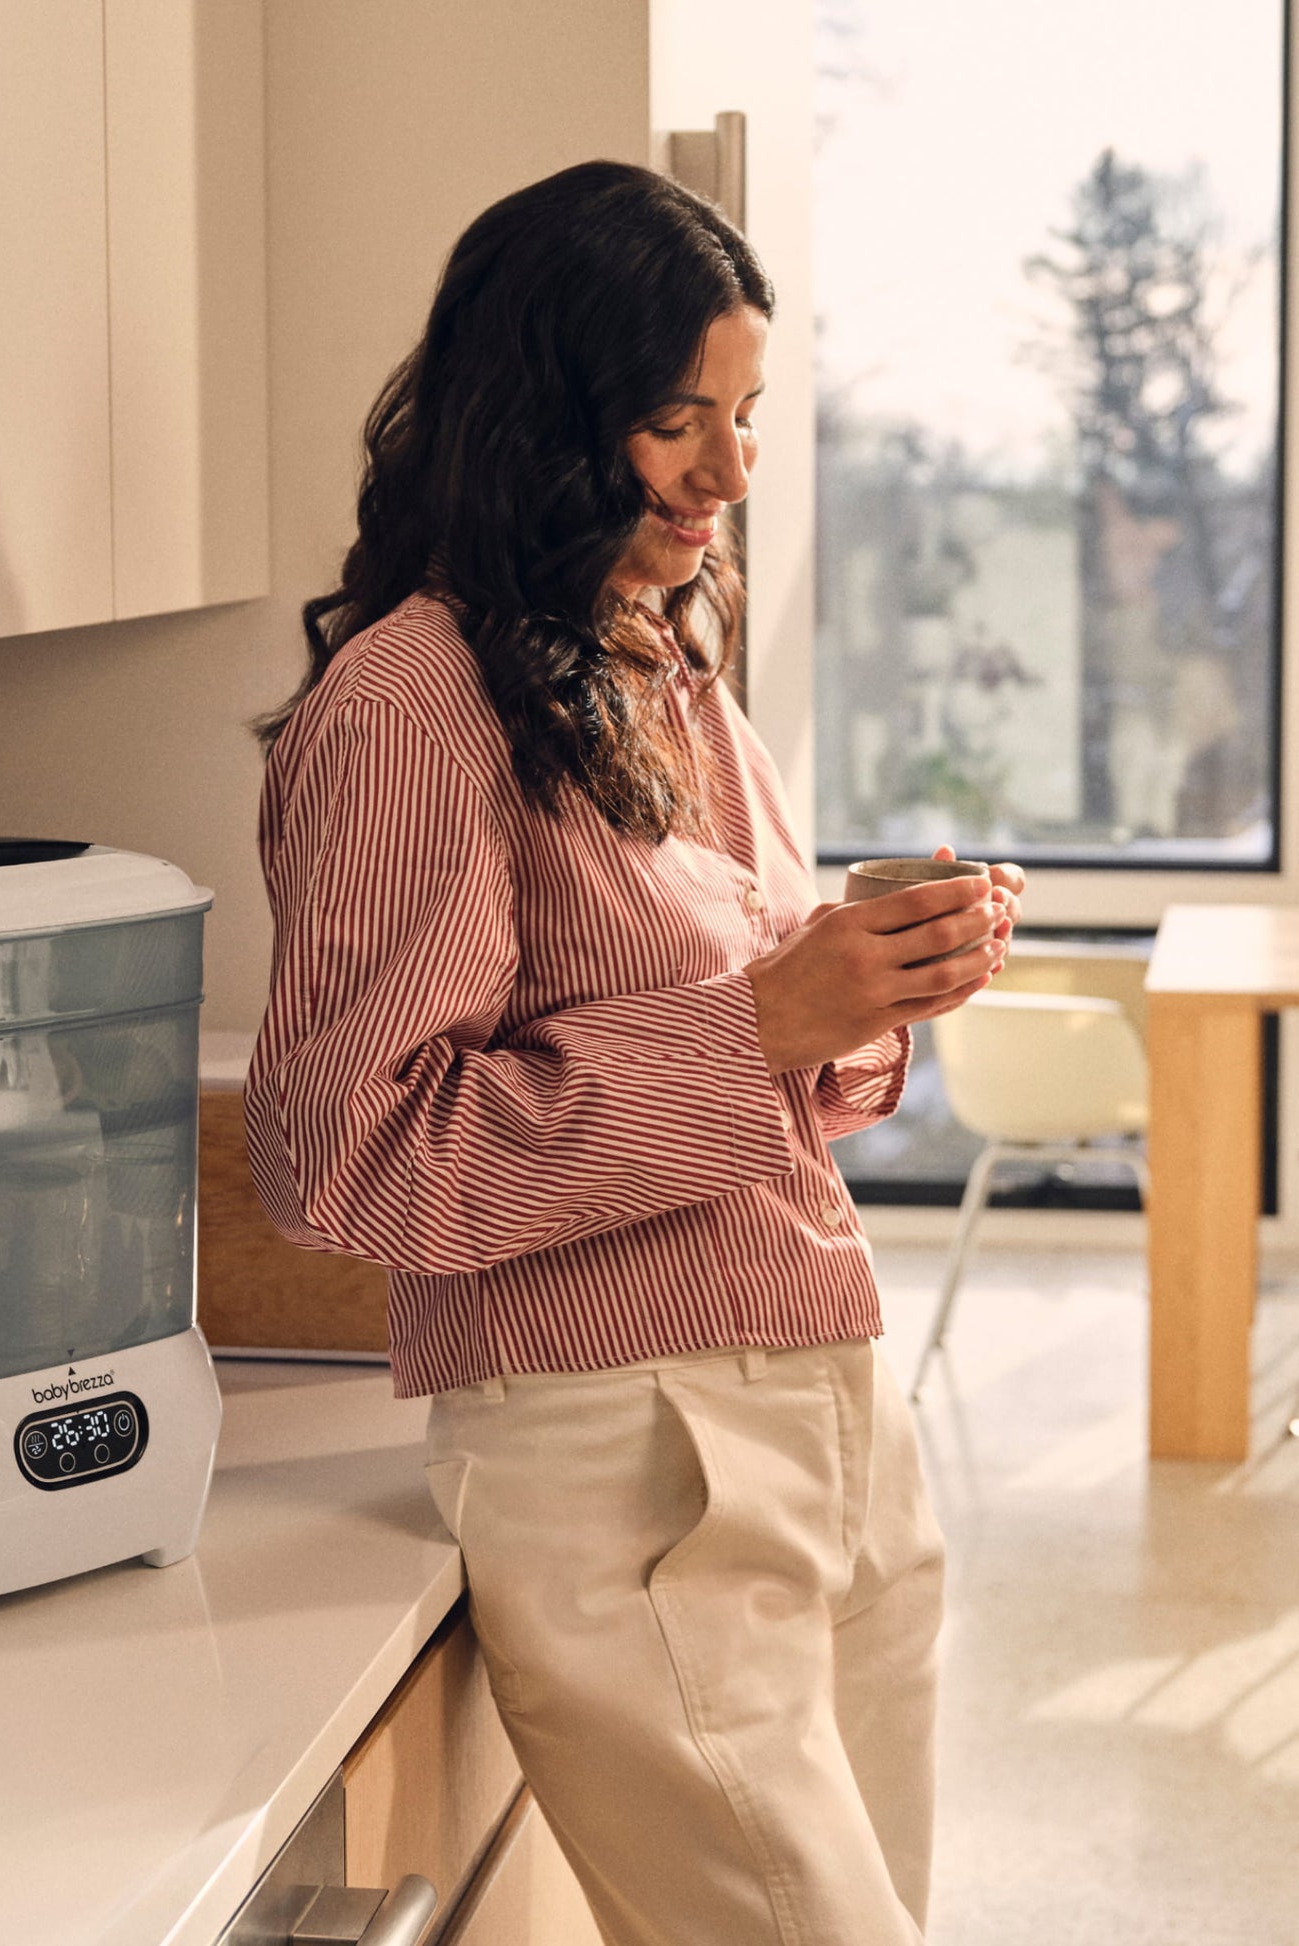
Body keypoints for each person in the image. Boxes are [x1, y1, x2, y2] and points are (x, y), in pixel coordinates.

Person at [243, 161, 1025, 1945]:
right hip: (625, 1453)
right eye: (677, 421)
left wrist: (862, 992)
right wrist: (763, 1021)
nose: (729, 472)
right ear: (544, 413)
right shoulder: (406, 707)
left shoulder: (652, 651)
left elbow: (750, 1033)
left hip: (823, 1406)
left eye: (744, 417)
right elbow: (353, 1156)